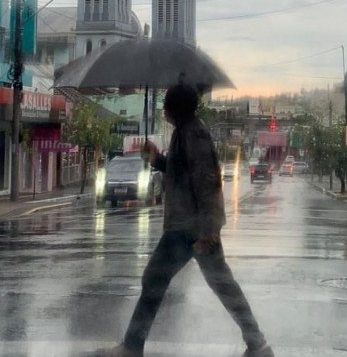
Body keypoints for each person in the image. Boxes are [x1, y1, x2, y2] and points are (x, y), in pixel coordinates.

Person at [99, 83, 273, 357]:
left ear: (175, 108)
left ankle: (132, 347)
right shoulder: (186, 132)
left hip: (191, 228)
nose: (165, 109)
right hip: (188, 225)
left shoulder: (194, 134)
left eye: (167, 104)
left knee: (158, 279)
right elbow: (180, 173)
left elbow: (207, 181)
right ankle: (257, 343)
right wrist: (156, 159)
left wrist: (209, 231)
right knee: (219, 284)